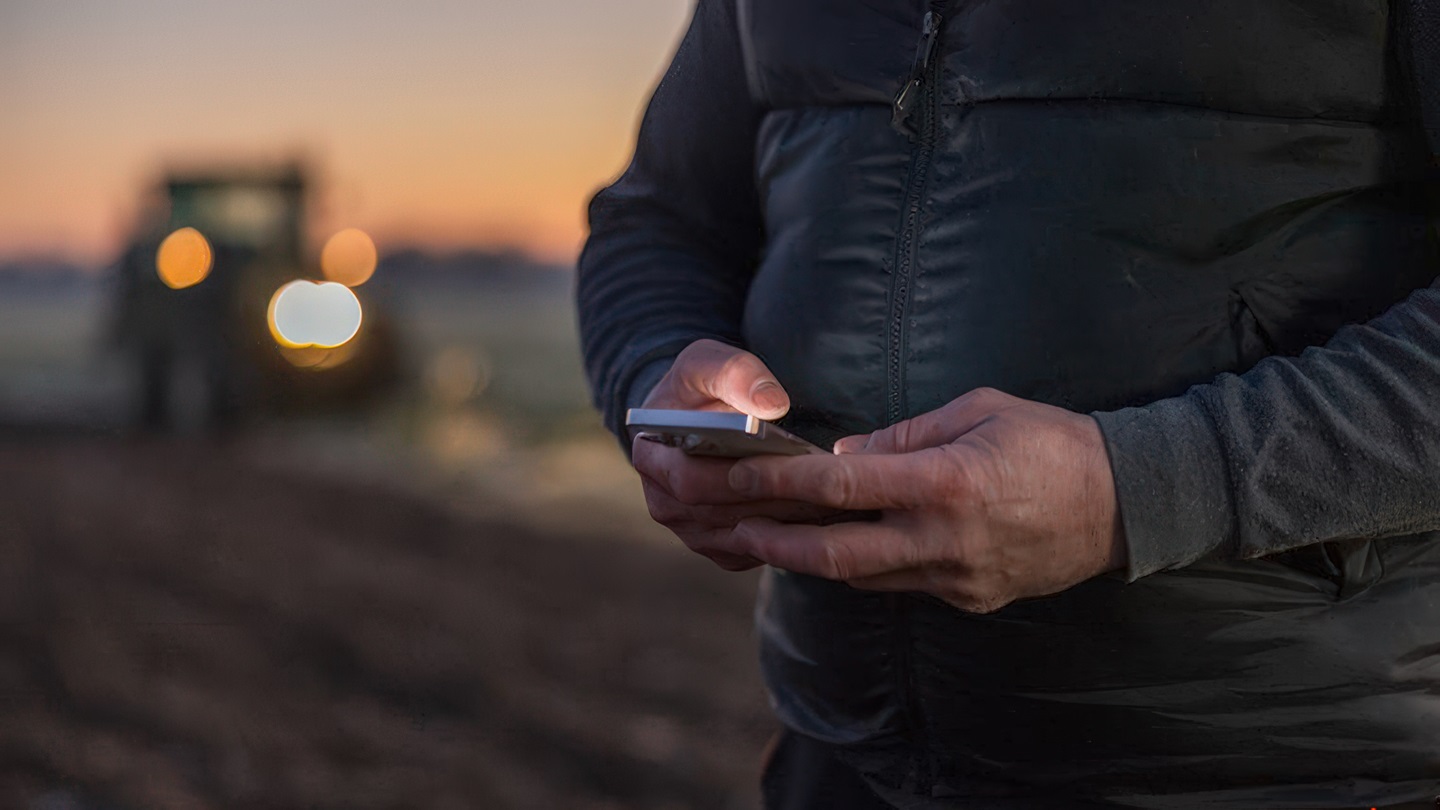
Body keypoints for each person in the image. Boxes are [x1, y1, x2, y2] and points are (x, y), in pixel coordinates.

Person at [577, 1, 1440, 807]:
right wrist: (656, 382)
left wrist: (1141, 487)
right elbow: (658, 222)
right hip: (841, 754)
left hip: (1281, 769)